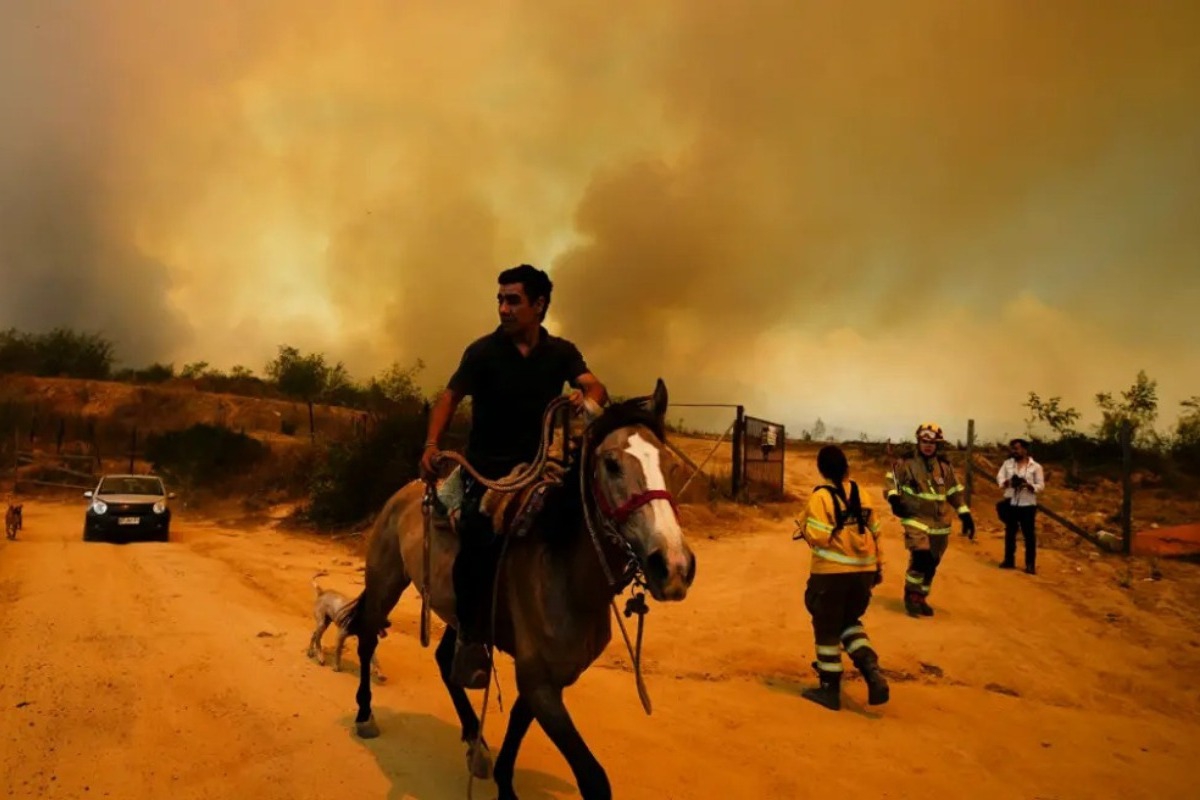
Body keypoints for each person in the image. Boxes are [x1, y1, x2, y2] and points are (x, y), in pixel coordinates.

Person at [419, 264, 608, 689]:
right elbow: (450, 397)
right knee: (476, 532)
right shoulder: (483, 352)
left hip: (540, 469)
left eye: (513, 300)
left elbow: (596, 388)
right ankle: (470, 636)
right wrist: (432, 444)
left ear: (539, 305)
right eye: (500, 300)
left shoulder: (561, 352)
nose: (503, 308)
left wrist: (585, 400)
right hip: (485, 473)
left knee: (580, 521)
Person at [794, 445, 890, 711]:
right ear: (846, 466)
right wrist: (879, 567)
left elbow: (819, 538)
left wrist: (803, 525)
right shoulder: (864, 495)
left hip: (832, 574)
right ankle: (870, 669)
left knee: (826, 627)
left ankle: (829, 688)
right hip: (863, 572)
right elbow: (877, 533)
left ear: (821, 469)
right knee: (849, 622)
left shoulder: (820, 498)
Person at [885, 422, 975, 618]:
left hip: (940, 524)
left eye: (932, 443)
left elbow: (954, 493)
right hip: (915, 518)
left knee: (932, 564)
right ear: (918, 441)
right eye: (924, 441)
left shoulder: (944, 467)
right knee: (920, 557)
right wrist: (893, 498)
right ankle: (911, 595)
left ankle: (922, 596)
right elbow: (891, 482)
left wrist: (965, 514)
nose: (928, 446)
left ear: (938, 445)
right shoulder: (905, 463)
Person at [996, 438, 1045, 574]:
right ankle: (1009, 560)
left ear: (1024, 449)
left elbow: (1041, 486)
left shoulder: (1036, 467)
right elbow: (999, 478)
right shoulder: (1007, 464)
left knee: (1029, 535)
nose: (1014, 451)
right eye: (1013, 449)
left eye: (1017, 449)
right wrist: (1007, 482)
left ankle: (1030, 564)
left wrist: (1029, 486)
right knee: (1010, 532)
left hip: (1027, 504)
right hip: (1011, 502)